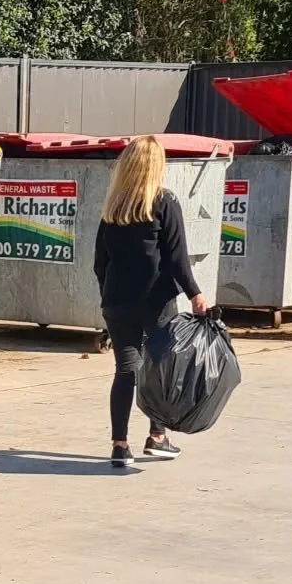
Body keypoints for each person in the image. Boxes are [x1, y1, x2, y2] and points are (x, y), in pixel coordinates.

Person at [94, 135, 208, 470]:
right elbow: (176, 257)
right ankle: (157, 436)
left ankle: (119, 445)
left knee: (125, 370)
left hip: (117, 301)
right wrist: (194, 293)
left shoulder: (113, 207)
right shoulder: (164, 202)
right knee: (159, 370)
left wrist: (108, 293)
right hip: (155, 301)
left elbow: (99, 261)